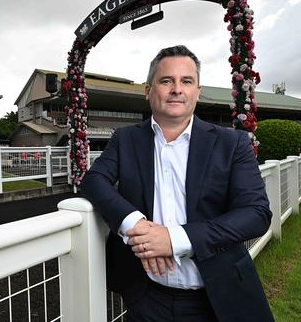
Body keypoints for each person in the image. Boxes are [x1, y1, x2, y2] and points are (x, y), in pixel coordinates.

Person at [80, 45, 273, 321]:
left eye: (186, 81)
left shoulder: (232, 143)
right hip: (146, 297)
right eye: (166, 80)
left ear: (197, 90)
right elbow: (94, 180)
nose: (176, 89)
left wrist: (174, 239)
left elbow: (256, 214)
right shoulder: (125, 140)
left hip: (218, 297)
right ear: (148, 91)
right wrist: (133, 223)